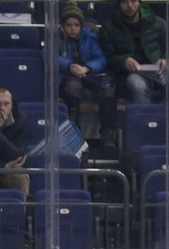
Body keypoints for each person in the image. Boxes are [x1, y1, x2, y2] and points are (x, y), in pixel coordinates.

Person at [57, 1, 114, 146]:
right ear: (63, 26)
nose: (73, 29)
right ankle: (74, 133)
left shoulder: (90, 36)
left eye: (76, 25)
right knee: (72, 89)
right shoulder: (57, 38)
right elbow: (49, 56)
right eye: (69, 25)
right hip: (69, 75)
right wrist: (69, 66)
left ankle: (108, 135)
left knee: (106, 90)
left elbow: (101, 59)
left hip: (90, 74)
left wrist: (87, 68)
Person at [98, 0, 167, 105]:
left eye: (133, 1)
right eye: (124, 2)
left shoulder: (158, 23)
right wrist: (123, 61)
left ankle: (167, 118)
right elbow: (108, 57)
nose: (129, 6)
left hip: (158, 70)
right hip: (129, 73)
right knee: (137, 85)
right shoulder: (108, 28)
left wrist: (165, 59)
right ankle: (145, 119)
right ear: (119, 4)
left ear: (140, 2)